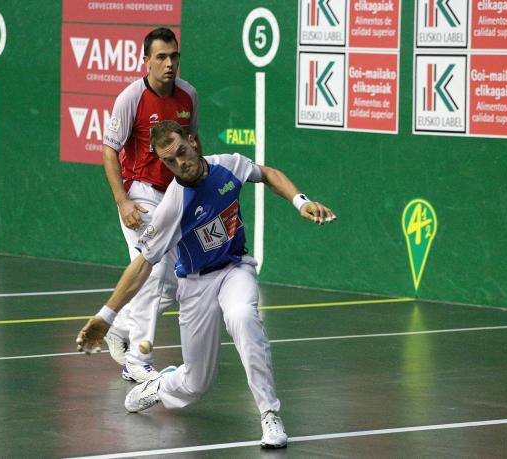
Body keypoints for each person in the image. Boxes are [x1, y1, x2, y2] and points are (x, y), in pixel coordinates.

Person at [77, 120, 336, 449]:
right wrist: (106, 316)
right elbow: (142, 264)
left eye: (182, 152)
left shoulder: (227, 166)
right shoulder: (173, 204)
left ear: (192, 142)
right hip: (195, 285)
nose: (180, 163)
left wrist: (301, 201)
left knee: (243, 317)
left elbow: (266, 173)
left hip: (234, 269)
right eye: (169, 161)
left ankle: (270, 414)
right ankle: (157, 387)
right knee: (196, 383)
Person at [101, 27, 201, 383]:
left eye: (174, 56)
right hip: (140, 195)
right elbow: (109, 150)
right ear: (146, 61)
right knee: (154, 271)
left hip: (175, 196)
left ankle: (120, 327)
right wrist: (123, 200)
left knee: (171, 285)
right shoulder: (131, 98)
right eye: (161, 57)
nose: (169, 64)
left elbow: (193, 144)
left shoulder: (188, 95)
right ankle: (137, 360)